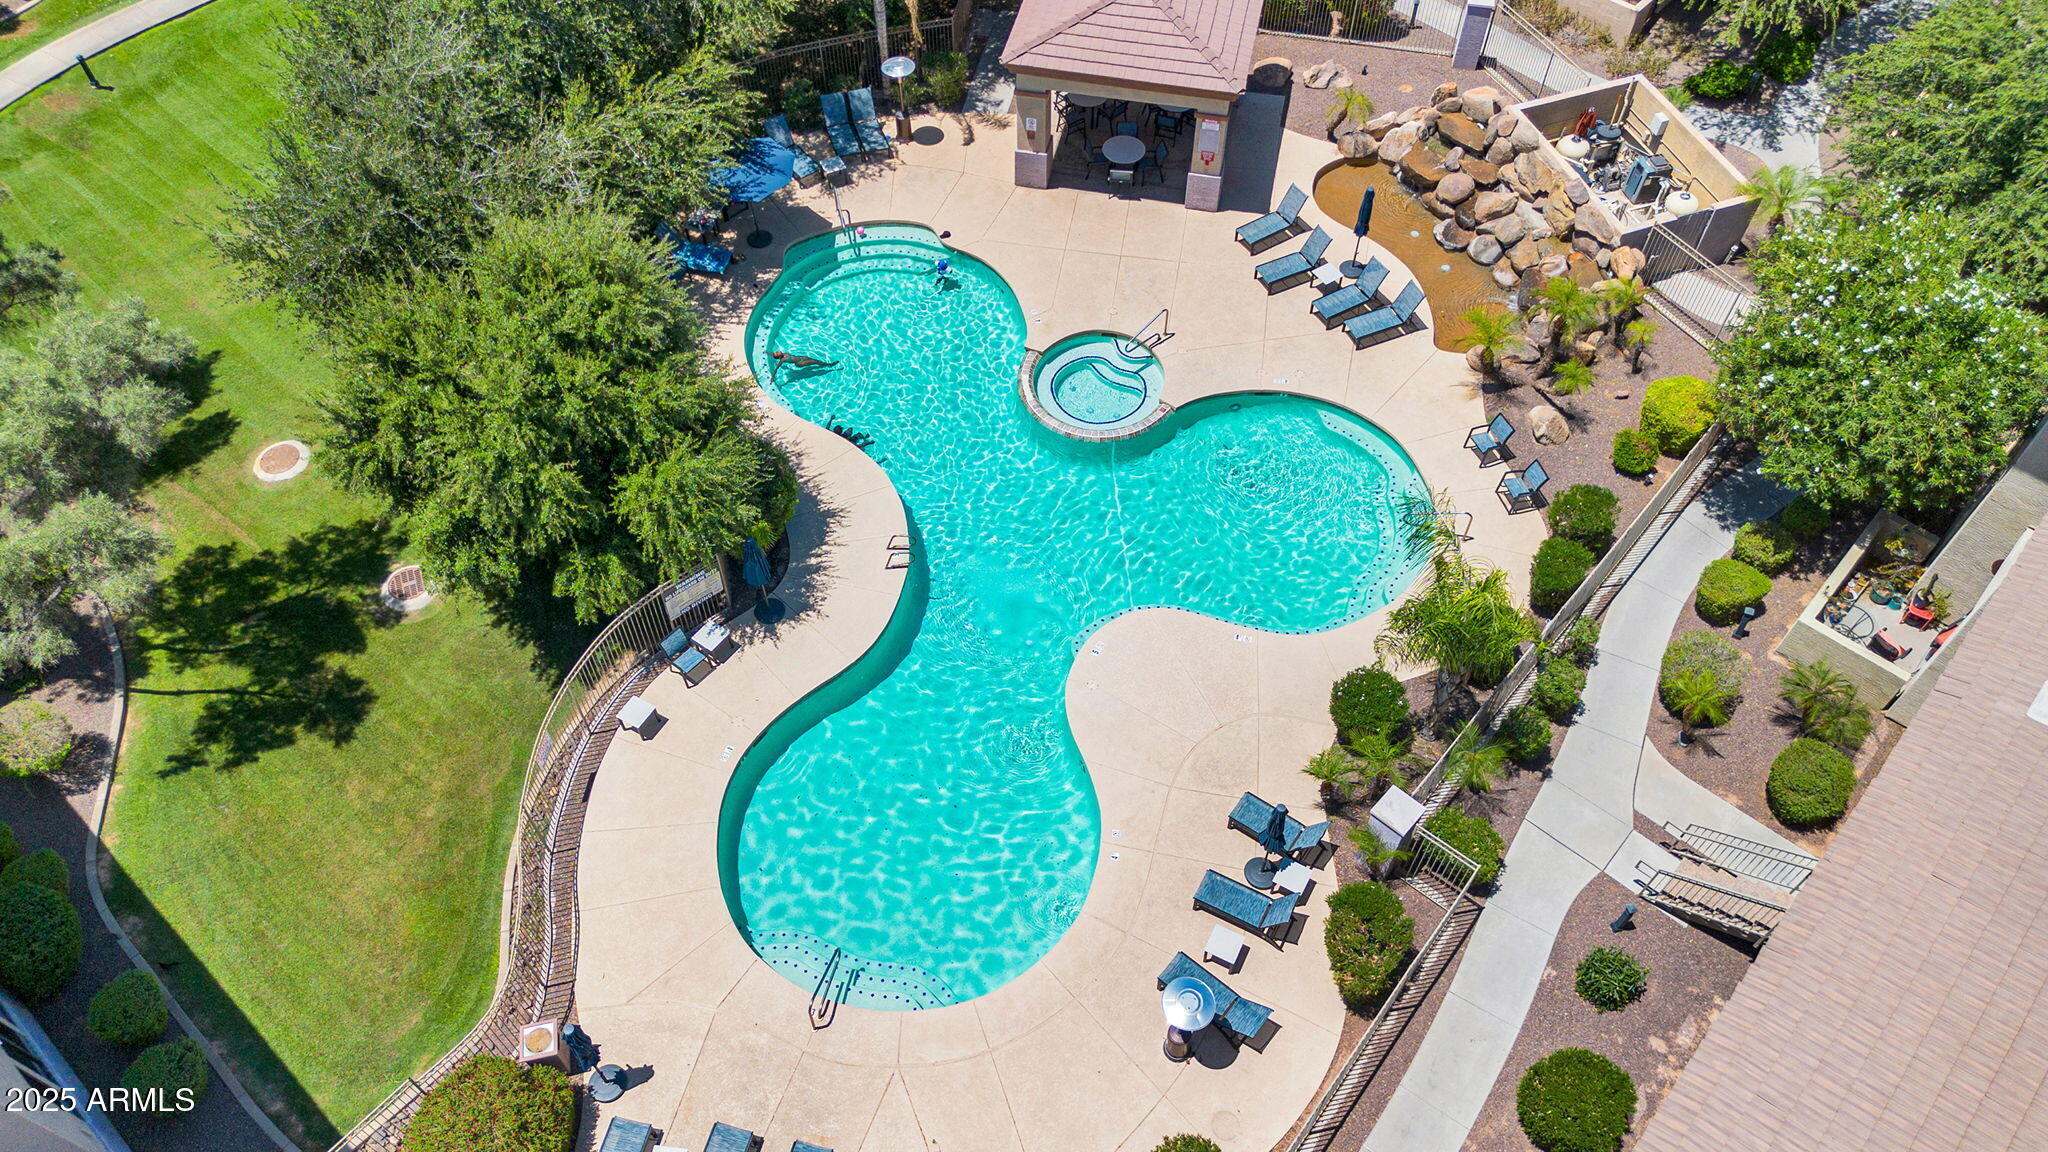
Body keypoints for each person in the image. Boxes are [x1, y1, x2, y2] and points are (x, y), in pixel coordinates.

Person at [770, 351, 838, 369]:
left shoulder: (784, 354)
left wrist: (768, 353)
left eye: (776, 352)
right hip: (799, 362)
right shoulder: (782, 360)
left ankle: (825, 364)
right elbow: (777, 368)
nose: (777, 352)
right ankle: (829, 365)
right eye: (776, 353)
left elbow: (772, 354)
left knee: (815, 360)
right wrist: (773, 376)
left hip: (801, 357)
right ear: (779, 357)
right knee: (814, 362)